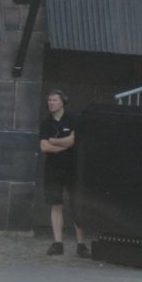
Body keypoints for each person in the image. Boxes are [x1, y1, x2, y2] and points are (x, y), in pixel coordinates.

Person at [39, 89, 90, 258]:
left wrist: (54, 141)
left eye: (54, 100)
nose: (51, 103)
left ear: (62, 102)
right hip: (53, 169)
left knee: (77, 205)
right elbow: (44, 146)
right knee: (56, 204)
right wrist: (64, 144)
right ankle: (58, 242)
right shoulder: (46, 123)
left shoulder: (74, 119)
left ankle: (81, 244)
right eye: (49, 100)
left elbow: (74, 141)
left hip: (73, 167)